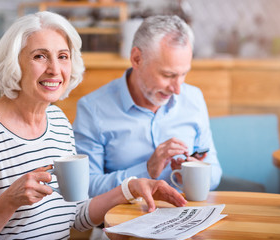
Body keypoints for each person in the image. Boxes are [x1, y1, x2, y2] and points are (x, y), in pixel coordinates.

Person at [0, 11, 187, 240]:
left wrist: (130, 188)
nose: (55, 70)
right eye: (40, 56)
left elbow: (76, 215)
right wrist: (8, 201)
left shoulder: (58, 123)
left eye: (62, 56)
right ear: (14, 62)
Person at [73, 15, 222, 198]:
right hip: (125, 220)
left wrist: (191, 173)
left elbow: (215, 173)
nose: (177, 89)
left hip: (186, 216)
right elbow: (88, 187)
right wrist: (147, 170)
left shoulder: (194, 98)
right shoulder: (93, 109)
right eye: (168, 75)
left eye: (183, 74)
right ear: (136, 59)